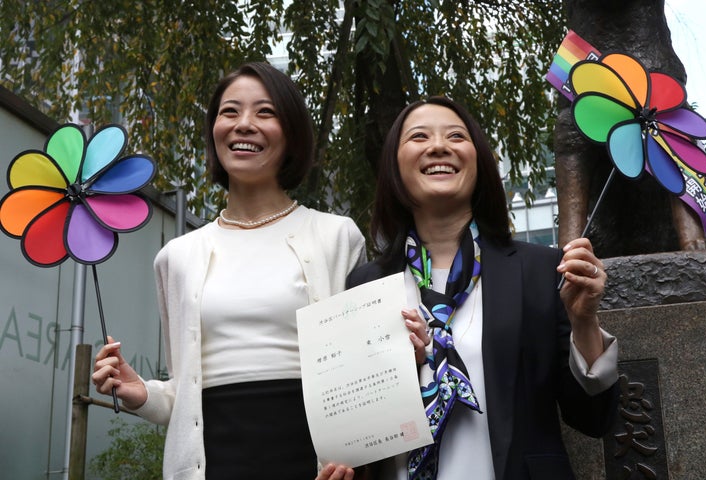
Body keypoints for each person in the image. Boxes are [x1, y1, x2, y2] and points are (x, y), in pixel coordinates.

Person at [318, 96, 618, 480]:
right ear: (394, 165)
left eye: (456, 136)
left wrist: (584, 323)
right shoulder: (366, 286)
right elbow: (358, 439)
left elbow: (594, 419)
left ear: (479, 161)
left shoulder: (540, 270)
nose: (438, 146)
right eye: (419, 137)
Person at [92, 62, 367, 480]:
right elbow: (186, 397)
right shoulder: (177, 256)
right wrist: (141, 392)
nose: (244, 125)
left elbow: (362, 373)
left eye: (265, 112)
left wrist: (355, 458)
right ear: (214, 131)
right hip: (216, 463)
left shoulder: (337, 237)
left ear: (291, 133)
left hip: (311, 461)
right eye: (229, 112)